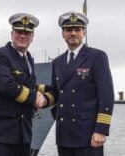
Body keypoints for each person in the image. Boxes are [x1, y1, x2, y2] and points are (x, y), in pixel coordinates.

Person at [49, 11, 115, 156]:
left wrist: (101, 130)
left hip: (88, 134)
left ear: (83, 32)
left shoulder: (97, 57)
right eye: (68, 30)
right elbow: (56, 91)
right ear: (63, 34)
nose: (73, 33)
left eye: (77, 30)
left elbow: (107, 96)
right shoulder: (57, 62)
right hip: (64, 133)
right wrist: (38, 97)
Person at [0, 13, 47, 156]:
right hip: (0, 135)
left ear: (32, 37)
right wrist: (35, 98)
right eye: (19, 32)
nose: (22, 36)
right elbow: (7, 86)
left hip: (22, 135)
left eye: (27, 33)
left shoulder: (28, 59)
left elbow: (29, 87)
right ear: (12, 34)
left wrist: (54, 91)